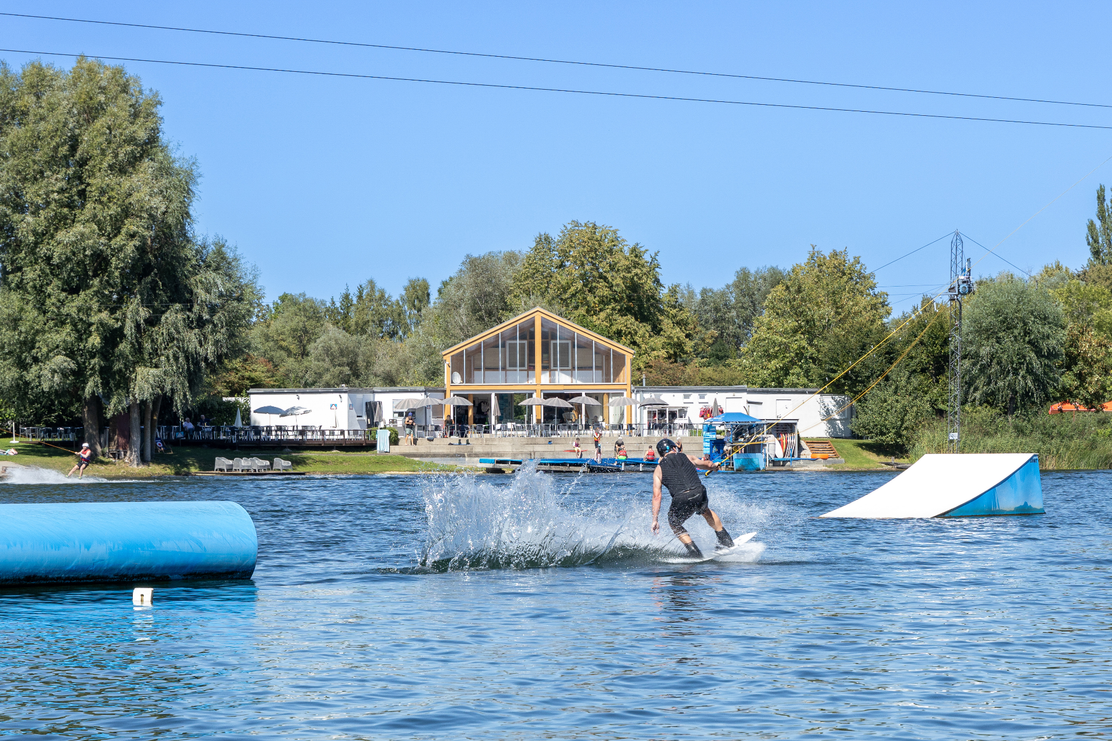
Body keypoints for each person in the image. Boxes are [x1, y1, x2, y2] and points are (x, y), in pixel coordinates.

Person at [650, 438, 734, 558]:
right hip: (699, 492)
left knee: (674, 522)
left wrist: (655, 519)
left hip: (681, 499)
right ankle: (726, 540)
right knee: (705, 511)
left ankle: (694, 552)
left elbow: (657, 496)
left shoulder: (658, 471)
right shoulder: (687, 457)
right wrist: (715, 466)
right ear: (674, 448)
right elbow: (709, 464)